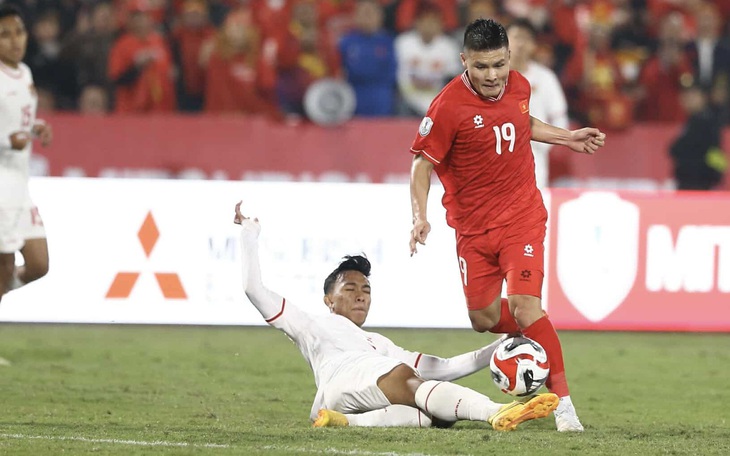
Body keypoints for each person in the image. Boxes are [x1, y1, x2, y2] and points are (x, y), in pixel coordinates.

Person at [408, 18, 606, 432]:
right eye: (481, 67)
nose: (492, 76)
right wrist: (420, 216)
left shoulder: (520, 86)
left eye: (498, 64)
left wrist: (566, 137)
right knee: (481, 317)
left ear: (509, 57)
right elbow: (422, 164)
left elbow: (522, 123)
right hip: (473, 229)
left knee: (523, 305)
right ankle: (537, 329)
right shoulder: (447, 106)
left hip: (521, 217)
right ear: (464, 61)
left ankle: (564, 405)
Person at [233, 201, 559, 429]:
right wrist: (249, 232)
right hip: (348, 377)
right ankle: (496, 412)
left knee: (433, 416)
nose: (361, 294)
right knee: (409, 380)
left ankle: (345, 421)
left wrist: (501, 344)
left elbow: (442, 368)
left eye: (366, 290)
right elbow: (253, 289)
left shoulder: (377, 343)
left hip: (345, 396)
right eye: (349, 288)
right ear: (328, 300)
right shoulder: (312, 324)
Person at [0, 5, 53, 302]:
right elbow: (8, 133)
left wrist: (37, 126)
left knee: (38, 264)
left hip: (20, 186)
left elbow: (19, 121)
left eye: (18, 32)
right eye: (4, 35)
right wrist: (7, 141)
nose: (14, 40)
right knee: (4, 266)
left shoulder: (24, 73)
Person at [506, 18, 568, 190]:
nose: (520, 44)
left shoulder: (546, 78)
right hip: (495, 153)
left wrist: (545, 145)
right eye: (516, 37)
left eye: (526, 38)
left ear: (534, 45)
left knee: (531, 210)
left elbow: (559, 117)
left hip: (533, 154)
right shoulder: (492, 76)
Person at [669, 81, 726, 190]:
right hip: (696, 181)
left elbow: (679, 148)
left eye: (693, 96)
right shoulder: (693, 120)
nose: (688, 100)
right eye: (686, 96)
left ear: (703, 98)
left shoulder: (705, 121)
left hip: (698, 183)